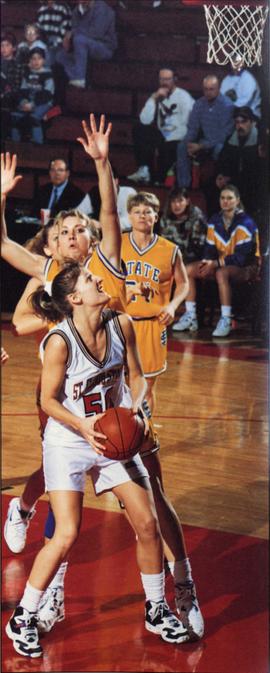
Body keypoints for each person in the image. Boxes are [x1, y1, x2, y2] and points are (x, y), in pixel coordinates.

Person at [2, 143, 204, 642]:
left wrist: (100, 163)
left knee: (153, 498)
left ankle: (179, 587)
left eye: (78, 229)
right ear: (51, 246)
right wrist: (60, 320)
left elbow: (109, 209)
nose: (73, 235)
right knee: (59, 498)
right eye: (63, 232)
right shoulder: (50, 280)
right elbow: (22, 322)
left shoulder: (105, 267)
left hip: (116, 407)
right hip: (68, 403)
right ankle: (45, 590)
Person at [6, 260, 191, 658]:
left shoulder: (120, 324)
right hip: (69, 441)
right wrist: (82, 425)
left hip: (111, 440)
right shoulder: (60, 341)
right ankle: (23, 615)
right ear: (74, 298)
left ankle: (156, 608)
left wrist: (138, 409)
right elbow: (47, 400)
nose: (99, 280)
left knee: (147, 522)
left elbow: (137, 376)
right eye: (91, 279)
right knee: (67, 533)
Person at [172, 184, 260, 337]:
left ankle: (226, 318)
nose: (225, 201)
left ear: (237, 201)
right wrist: (207, 262)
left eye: (229, 198)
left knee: (221, 273)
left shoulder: (246, 222)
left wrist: (216, 263)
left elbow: (242, 257)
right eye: (222, 198)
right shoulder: (215, 220)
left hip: (247, 267)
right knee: (189, 270)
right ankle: (191, 316)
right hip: (221, 264)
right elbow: (209, 248)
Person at [127, 67, 194, 184]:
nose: (164, 82)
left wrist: (169, 139)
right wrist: (153, 99)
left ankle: (157, 180)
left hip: (178, 137)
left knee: (166, 149)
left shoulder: (184, 97)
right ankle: (144, 170)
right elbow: (145, 120)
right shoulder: (157, 95)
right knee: (139, 128)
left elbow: (187, 123)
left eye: (167, 79)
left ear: (175, 79)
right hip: (162, 134)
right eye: (162, 79)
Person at [176, 75, 234, 189]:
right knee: (182, 146)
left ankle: (217, 186)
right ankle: (184, 187)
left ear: (218, 89)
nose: (208, 92)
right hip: (205, 140)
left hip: (222, 142)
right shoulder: (199, 104)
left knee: (218, 149)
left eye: (211, 89)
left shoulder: (227, 105)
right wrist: (189, 142)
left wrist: (201, 146)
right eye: (206, 89)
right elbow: (193, 128)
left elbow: (223, 134)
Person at [55, 0, 118, 89]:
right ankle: (74, 76)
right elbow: (75, 29)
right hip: (82, 45)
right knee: (60, 55)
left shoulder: (102, 9)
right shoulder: (77, 11)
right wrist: (68, 39)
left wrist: (72, 34)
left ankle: (80, 78)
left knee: (79, 40)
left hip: (104, 47)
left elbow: (96, 33)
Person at [216, 106, 264, 217]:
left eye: (244, 122)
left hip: (253, 183)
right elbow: (222, 161)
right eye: (237, 122)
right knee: (211, 186)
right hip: (233, 181)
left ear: (252, 122)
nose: (240, 126)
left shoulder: (260, 141)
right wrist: (220, 176)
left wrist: (230, 178)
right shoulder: (230, 139)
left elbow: (258, 171)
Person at [10, 47, 55, 145]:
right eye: (33, 59)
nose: (36, 61)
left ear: (43, 60)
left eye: (39, 58)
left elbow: (47, 94)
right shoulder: (27, 74)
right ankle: (14, 145)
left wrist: (33, 104)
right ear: (30, 60)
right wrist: (23, 102)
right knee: (15, 116)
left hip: (43, 103)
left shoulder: (48, 75)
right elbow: (22, 91)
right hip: (28, 102)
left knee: (34, 118)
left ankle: (38, 144)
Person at [159, 187, 207, 264]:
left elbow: (198, 248)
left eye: (180, 201)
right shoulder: (165, 218)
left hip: (192, 259)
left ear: (187, 201)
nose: (177, 205)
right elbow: (163, 243)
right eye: (173, 201)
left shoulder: (196, 217)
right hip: (170, 258)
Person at [89, 165, 136, 231]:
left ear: (116, 181)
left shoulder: (129, 192)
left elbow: (131, 220)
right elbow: (79, 211)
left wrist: (102, 225)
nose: (104, 184)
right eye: (101, 181)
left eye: (106, 180)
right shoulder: (94, 192)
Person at [220, 54, 261, 120]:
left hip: (250, 115)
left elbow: (244, 103)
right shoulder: (226, 80)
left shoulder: (249, 79)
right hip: (231, 115)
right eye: (233, 61)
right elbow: (222, 99)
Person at [1, 32, 24, 139]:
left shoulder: (17, 66)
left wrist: (4, 94)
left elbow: (16, 87)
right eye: (2, 45)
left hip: (9, 99)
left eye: (7, 45)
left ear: (13, 48)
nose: (4, 48)